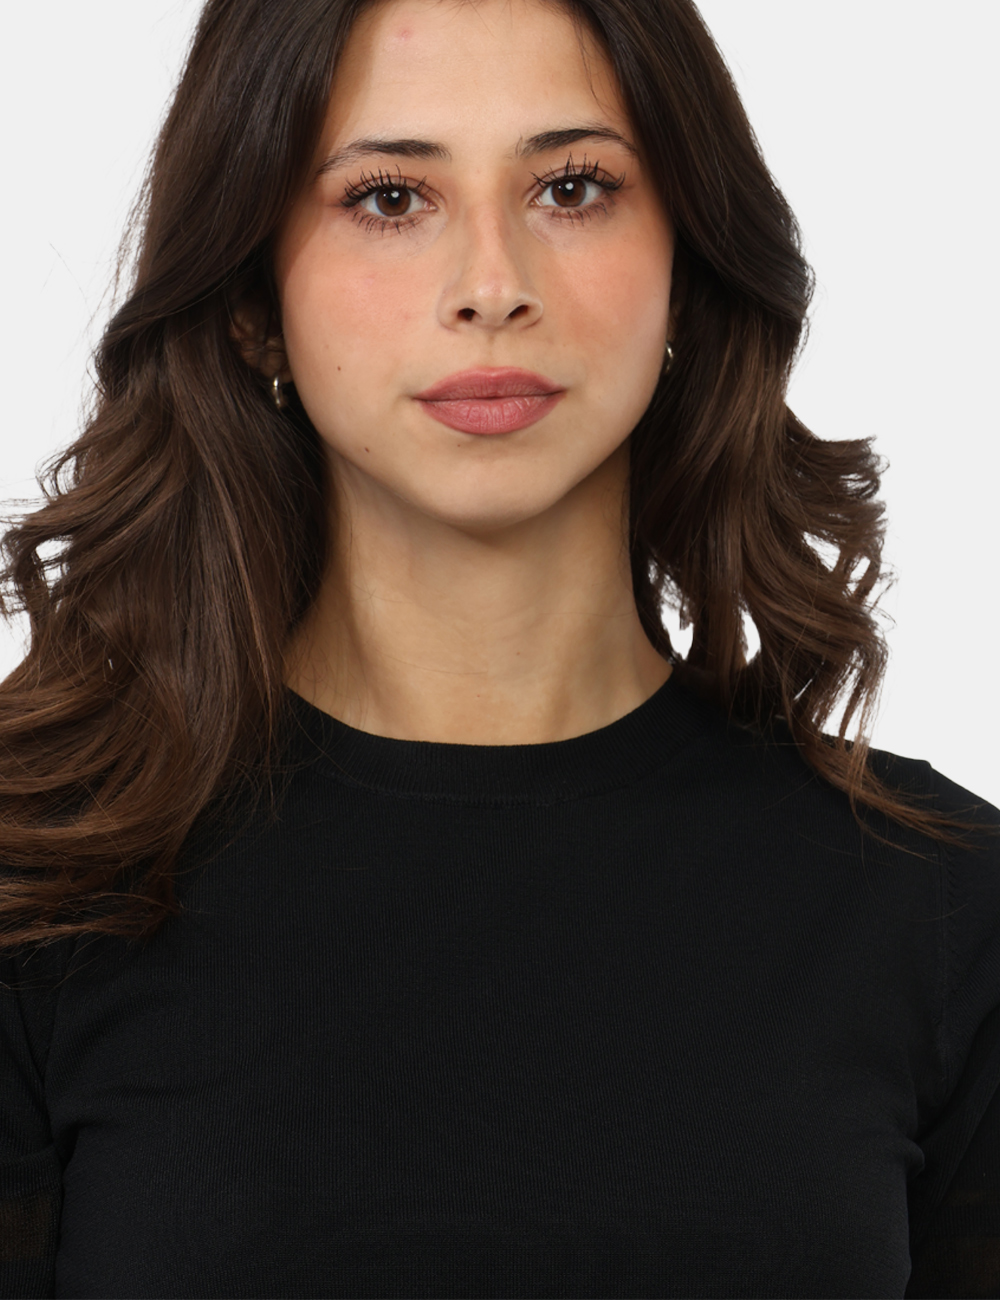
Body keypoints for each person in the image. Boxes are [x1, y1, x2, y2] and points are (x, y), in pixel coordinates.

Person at [1, 0, 997, 1295]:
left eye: (572, 188)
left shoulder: (942, 908)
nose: (491, 285)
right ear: (252, 301)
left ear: (687, 265)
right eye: (389, 197)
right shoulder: (38, 890)